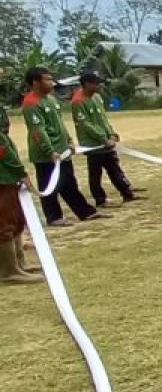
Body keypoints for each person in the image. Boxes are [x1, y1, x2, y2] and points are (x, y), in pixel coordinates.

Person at [22, 68, 105, 226]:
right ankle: (54, 217)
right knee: (49, 185)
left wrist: (68, 140)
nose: (51, 82)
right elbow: (38, 130)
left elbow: (60, 124)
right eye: (47, 79)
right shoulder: (31, 103)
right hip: (45, 154)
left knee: (69, 182)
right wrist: (50, 151)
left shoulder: (52, 100)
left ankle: (85, 212)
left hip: (63, 149)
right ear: (35, 82)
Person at [72, 72, 143, 207]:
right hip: (94, 144)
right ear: (87, 84)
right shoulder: (78, 101)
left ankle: (127, 193)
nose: (100, 85)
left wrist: (112, 134)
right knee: (95, 173)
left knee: (114, 168)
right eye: (96, 83)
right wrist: (103, 139)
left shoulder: (97, 98)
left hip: (107, 142)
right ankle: (100, 200)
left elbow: (103, 119)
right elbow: (85, 124)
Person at [0, 105, 42, 283]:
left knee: (16, 219)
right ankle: (9, 271)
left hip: (8, 175)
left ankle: (19, 263)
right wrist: (20, 171)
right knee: (5, 223)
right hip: (3, 176)